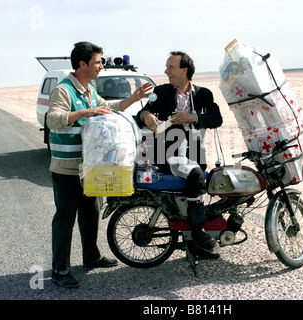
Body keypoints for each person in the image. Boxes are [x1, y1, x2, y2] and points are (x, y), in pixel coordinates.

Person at [47, 41, 152, 288]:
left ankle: (91, 257)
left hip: (89, 167)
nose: (101, 65)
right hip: (67, 168)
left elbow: (107, 107)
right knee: (65, 218)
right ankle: (60, 270)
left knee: (90, 213)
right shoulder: (64, 91)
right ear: (83, 64)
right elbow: (52, 119)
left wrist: (132, 99)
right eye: (97, 61)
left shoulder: (89, 90)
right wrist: (84, 113)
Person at [136, 51, 223, 254]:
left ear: (185, 69)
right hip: (167, 153)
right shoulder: (162, 92)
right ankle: (197, 231)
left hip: (194, 153)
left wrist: (192, 117)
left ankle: (190, 241)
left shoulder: (204, 94)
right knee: (194, 175)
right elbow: (141, 114)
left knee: (199, 180)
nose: (166, 71)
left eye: (170, 67)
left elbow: (216, 119)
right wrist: (146, 114)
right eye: (166, 67)